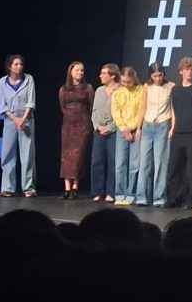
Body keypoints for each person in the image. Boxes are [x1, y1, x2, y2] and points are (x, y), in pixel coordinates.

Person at [167, 57, 192, 209]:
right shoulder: (175, 90)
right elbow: (174, 111)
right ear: (181, 72)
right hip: (178, 132)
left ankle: (191, 198)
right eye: (186, 69)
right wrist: (172, 128)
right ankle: (174, 197)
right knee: (175, 167)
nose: (189, 72)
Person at [135, 62, 175, 207]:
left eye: (160, 75)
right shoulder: (146, 87)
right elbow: (143, 107)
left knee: (160, 164)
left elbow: (172, 109)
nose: (158, 78)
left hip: (163, 125)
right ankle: (142, 197)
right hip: (147, 125)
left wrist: (172, 127)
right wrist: (138, 127)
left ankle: (159, 198)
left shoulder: (170, 86)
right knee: (144, 163)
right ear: (150, 76)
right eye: (155, 76)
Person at [0, 54, 37, 197]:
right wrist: (15, 119)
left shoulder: (28, 79)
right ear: (9, 67)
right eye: (16, 64)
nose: (19, 66)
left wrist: (23, 119)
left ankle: (29, 188)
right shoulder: (2, 82)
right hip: (10, 119)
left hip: (26, 119)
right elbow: (2, 104)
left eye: (21, 64)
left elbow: (31, 102)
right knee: (7, 153)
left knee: (27, 155)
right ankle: (7, 187)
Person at [57, 61, 95, 199]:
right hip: (68, 125)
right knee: (66, 156)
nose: (80, 73)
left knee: (78, 155)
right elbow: (63, 107)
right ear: (71, 72)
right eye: (77, 70)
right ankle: (67, 187)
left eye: (82, 70)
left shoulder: (88, 88)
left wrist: (84, 119)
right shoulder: (64, 89)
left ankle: (75, 187)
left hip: (82, 124)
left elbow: (91, 106)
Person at [111, 66, 143, 205]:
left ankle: (131, 194)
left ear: (134, 79)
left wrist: (133, 128)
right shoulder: (117, 92)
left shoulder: (140, 90)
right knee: (120, 164)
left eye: (128, 82)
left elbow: (141, 110)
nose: (125, 84)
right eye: (123, 81)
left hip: (136, 130)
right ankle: (120, 194)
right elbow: (115, 111)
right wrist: (124, 129)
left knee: (134, 164)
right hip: (122, 130)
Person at [90, 63, 120, 203]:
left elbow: (121, 113)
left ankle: (111, 192)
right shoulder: (99, 90)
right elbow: (94, 111)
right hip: (99, 131)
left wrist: (110, 127)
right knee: (96, 161)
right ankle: (97, 191)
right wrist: (97, 126)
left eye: (103, 73)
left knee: (112, 162)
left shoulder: (120, 89)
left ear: (112, 75)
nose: (100, 76)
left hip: (113, 131)